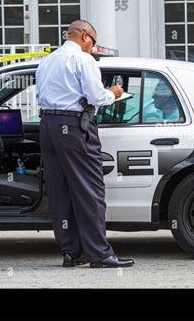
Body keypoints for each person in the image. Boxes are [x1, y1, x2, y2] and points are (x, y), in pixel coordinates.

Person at [36, 20, 134, 268]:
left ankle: (71, 252)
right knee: (90, 190)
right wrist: (114, 93)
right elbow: (95, 97)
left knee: (60, 192)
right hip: (74, 128)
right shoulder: (83, 60)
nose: (93, 48)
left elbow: (40, 96)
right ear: (84, 36)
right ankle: (99, 254)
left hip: (48, 126)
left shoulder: (47, 61)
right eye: (94, 41)